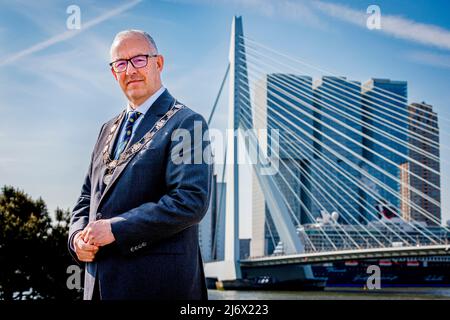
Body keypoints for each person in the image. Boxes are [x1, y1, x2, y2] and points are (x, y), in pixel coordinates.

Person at [68, 29, 212, 300]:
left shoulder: (188, 123)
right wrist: (76, 239)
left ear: (158, 63)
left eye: (139, 59)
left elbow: (190, 201)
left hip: (157, 287)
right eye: (121, 63)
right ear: (113, 73)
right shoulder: (106, 129)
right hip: (97, 286)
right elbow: (87, 198)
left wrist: (116, 229)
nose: (130, 70)